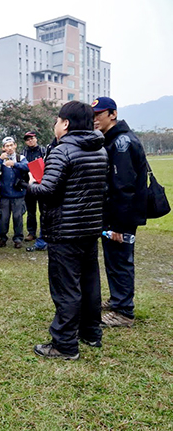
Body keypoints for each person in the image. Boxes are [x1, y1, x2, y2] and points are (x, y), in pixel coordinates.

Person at [28, 101, 108, 360]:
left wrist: (29, 184)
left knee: (66, 287)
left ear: (66, 123)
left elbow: (47, 191)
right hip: (89, 227)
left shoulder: (63, 151)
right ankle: (90, 331)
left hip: (65, 230)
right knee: (89, 282)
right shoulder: (100, 150)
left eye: (57, 120)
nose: (55, 125)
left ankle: (64, 344)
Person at [92, 97, 148, 328]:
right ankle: (118, 299)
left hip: (120, 216)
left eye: (99, 114)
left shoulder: (122, 143)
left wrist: (117, 225)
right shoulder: (113, 140)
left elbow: (123, 187)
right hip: (113, 214)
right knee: (114, 259)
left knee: (120, 259)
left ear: (113, 114)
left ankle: (123, 311)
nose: (95, 119)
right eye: (93, 115)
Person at [0, 136, 29, 249]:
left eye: (11, 145)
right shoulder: (0, 159)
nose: (9, 148)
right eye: (7, 146)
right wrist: (1, 160)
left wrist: (14, 164)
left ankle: (18, 238)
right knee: (3, 217)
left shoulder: (21, 158)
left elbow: (27, 167)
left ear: (15, 145)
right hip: (4, 194)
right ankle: (2, 237)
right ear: (3, 148)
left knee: (17, 217)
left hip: (18, 194)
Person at [21, 131, 45, 241]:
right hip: (29, 185)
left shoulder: (43, 151)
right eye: (27, 139)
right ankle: (31, 232)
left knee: (43, 210)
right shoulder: (23, 153)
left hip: (42, 184)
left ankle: (44, 232)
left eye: (31, 138)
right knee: (31, 211)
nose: (30, 141)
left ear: (36, 138)